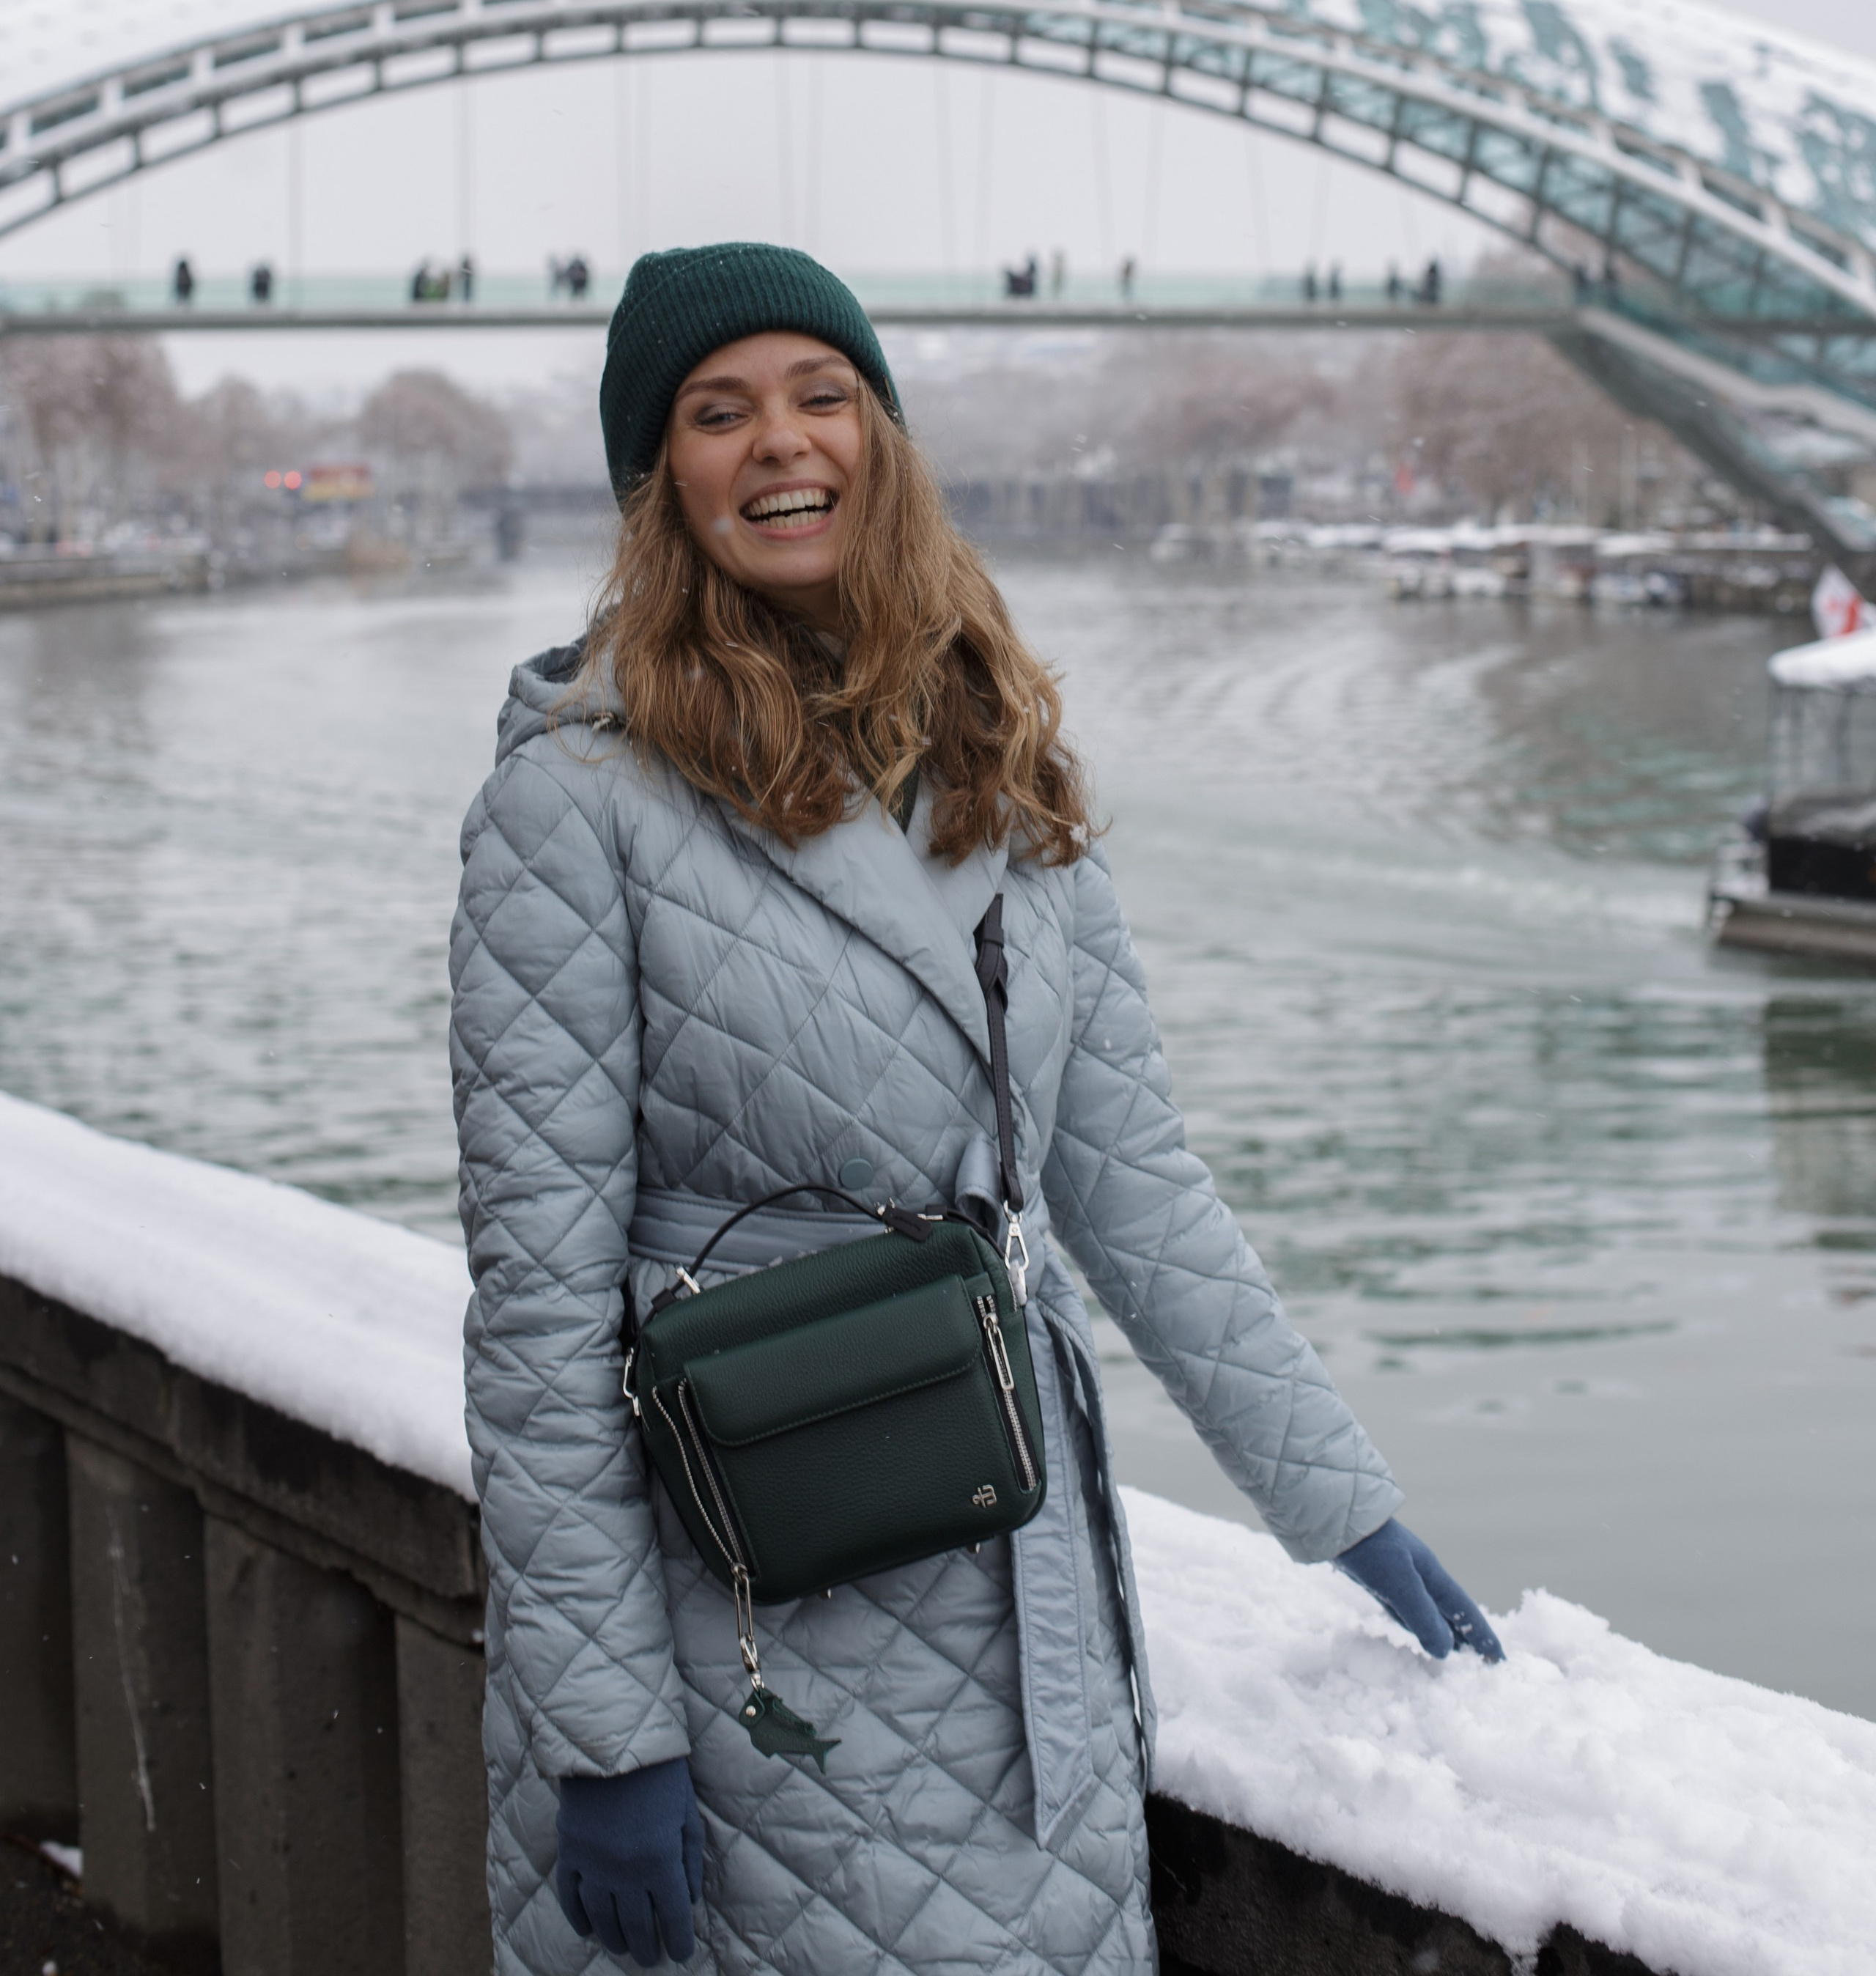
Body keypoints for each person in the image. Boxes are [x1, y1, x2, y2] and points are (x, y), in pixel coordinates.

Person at [450, 241, 1502, 1976]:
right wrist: (602, 1729)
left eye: (820, 396)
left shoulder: (993, 758)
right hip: (744, 1625)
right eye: (717, 414)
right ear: (661, 483)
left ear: (883, 438)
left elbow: (1132, 1184)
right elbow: (540, 1313)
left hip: (1019, 1591)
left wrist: (1345, 1510)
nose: (779, 443)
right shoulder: (572, 810)